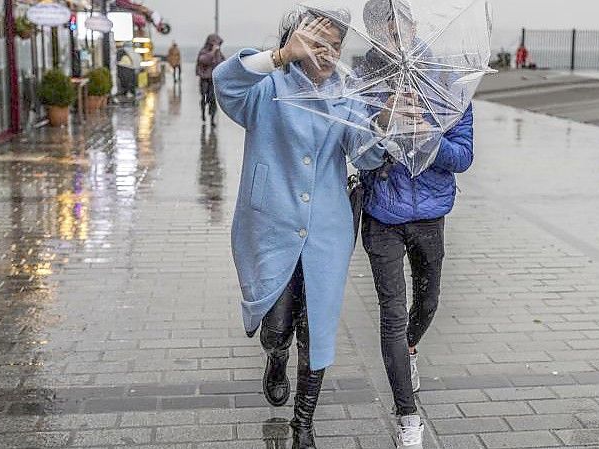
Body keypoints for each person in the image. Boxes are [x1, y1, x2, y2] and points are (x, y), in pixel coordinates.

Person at [213, 9, 385, 449]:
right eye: (318, 42)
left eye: (335, 45)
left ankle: (302, 424)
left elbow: (367, 159)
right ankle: (275, 356)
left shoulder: (347, 94)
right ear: (296, 42)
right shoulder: (266, 89)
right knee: (277, 325)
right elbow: (225, 83)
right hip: (271, 224)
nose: (328, 53)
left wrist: (380, 127)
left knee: (318, 327)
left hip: (327, 229)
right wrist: (279, 55)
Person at [359, 0, 475, 447]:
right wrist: (385, 126)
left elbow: (462, 156)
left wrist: (425, 136)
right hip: (382, 214)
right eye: (384, 26)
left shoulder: (446, 81)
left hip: (429, 215)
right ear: (375, 33)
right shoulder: (363, 82)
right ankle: (407, 415)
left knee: (426, 304)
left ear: (412, 27)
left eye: (400, 24)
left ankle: (410, 350)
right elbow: (355, 151)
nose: (394, 32)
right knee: (391, 314)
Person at [197, 34, 225, 125]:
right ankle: (203, 113)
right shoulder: (203, 51)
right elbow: (203, 60)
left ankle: (212, 118)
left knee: (213, 99)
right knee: (204, 98)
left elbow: (223, 63)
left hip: (213, 80)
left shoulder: (219, 53)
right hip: (205, 79)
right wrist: (212, 52)